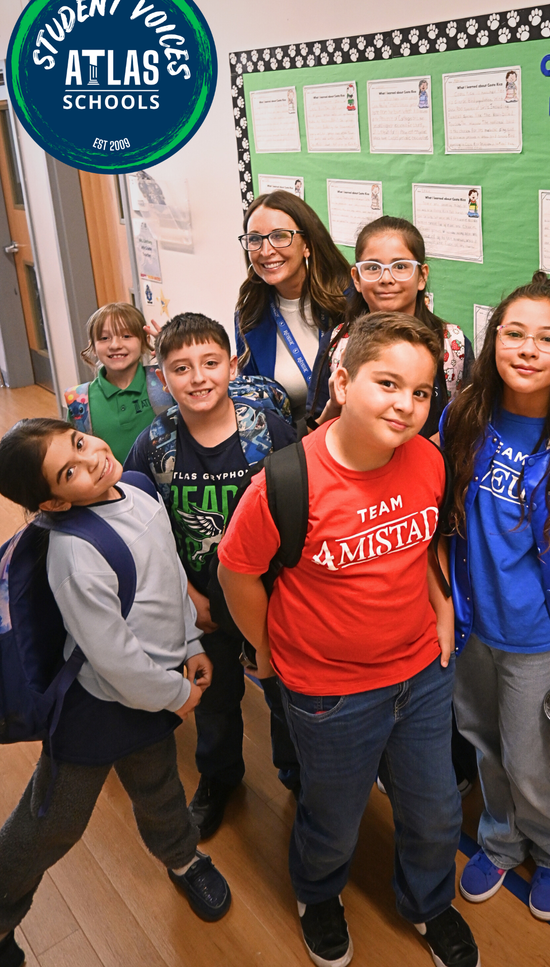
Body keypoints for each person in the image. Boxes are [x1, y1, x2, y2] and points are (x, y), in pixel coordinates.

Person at [217, 313, 480, 967]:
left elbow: (426, 544)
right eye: (387, 382)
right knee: (332, 820)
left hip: (421, 675)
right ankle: (318, 894)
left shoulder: (427, 459)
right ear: (341, 379)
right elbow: (237, 572)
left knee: (436, 812)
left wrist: (442, 609)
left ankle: (427, 903)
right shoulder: (285, 482)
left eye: (420, 392)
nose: (405, 404)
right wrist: (268, 651)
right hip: (329, 693)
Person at [0, 419, 232, 967]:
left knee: (158, 786)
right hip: (98, 707)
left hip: (155, 691)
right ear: (54, 503)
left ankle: (182, 858)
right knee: (55, 820)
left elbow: (169, 573)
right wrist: (173, 695)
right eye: (70, 471)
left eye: (79, 444)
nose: (91, 460)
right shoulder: (75, 557)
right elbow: (113, 659)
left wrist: (191, 640)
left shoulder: (137, 486)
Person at [439, 274, 550, 922]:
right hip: (469, 631)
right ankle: (500, 837)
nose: (527, 348)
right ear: (492, 344)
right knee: (483, 742)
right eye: (513, 333)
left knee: (531, 758)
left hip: (538, 642)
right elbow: (439, 526)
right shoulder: (461, 418)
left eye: (546, 338)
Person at [125, 313, 297, 840]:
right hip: (201, 600)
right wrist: (187, 596)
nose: (198, 377)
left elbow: (299, 510)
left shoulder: (267, 430)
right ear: (162, 375)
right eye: (181, 368)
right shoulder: (154, 445)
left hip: (271, 599)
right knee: (215, 697)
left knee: (285, 693)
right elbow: (144, 532)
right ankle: (220, 777)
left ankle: (298, 774)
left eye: (210, 363)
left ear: (232, 364)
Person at [307, 216, 474, 440]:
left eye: (401, 266)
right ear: (356, 278)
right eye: (373, 267)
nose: (386, 278)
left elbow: (467, 423)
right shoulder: (337, 343)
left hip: (429, 468)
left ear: (422, 276)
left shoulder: (453, 345)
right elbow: (314, 431)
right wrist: (335, 405)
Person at [235, 191, 349, 426]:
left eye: (279, 236)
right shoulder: (249, 316)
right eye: (255, 239)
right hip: (294, 446)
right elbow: (258, 408)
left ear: (307, 244)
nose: (266, 251)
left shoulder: (349, 300)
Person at [64, 302, 172, 463]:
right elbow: (73, 455)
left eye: (126, 336)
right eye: (104, 338)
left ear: (144, 340)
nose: (115, 345)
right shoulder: (79, 402)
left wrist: (172, 353)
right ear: (92, 347)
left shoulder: (165, 381)